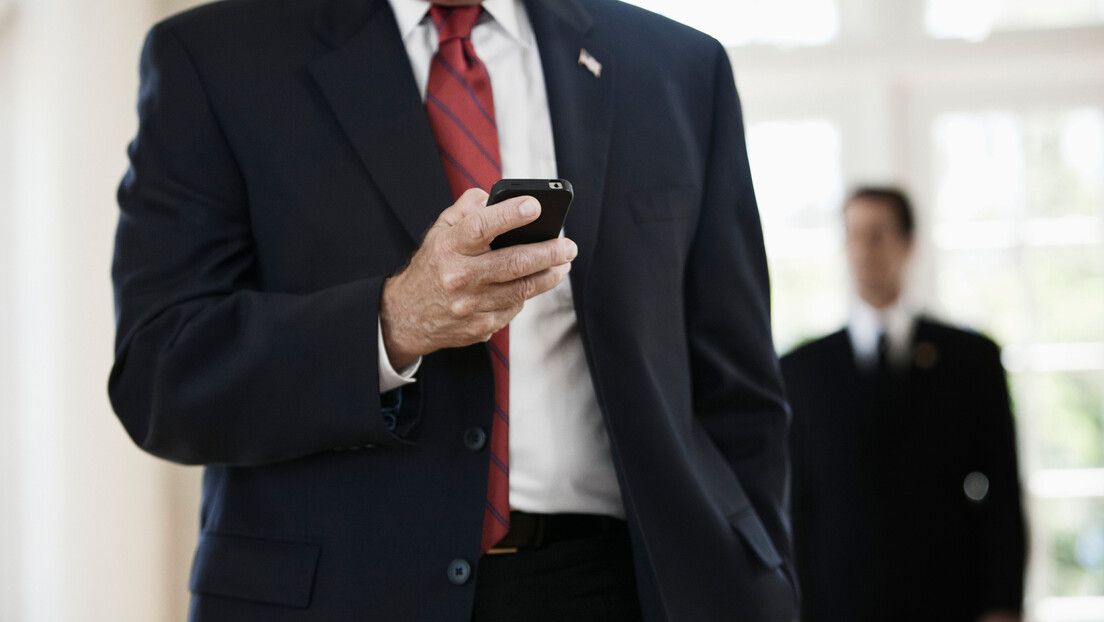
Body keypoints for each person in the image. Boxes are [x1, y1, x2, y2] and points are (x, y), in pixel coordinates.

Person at [108, 0, 798, 619]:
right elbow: (160, 374)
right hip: (341, 594)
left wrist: (764, 573)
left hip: (621, 586)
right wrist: (392, 322)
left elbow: (740, 391)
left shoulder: (679, 66)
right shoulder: (216, 57)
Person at [781, 187, 1028, 622]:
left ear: (907, 244)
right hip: (839, 605)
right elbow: (795, 506)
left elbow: (1002, 495)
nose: (862, 250)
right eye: (853, 235)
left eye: (876, 235)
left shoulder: (971, 360)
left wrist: (1002, 604)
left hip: (949, 599)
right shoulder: (801, 370)